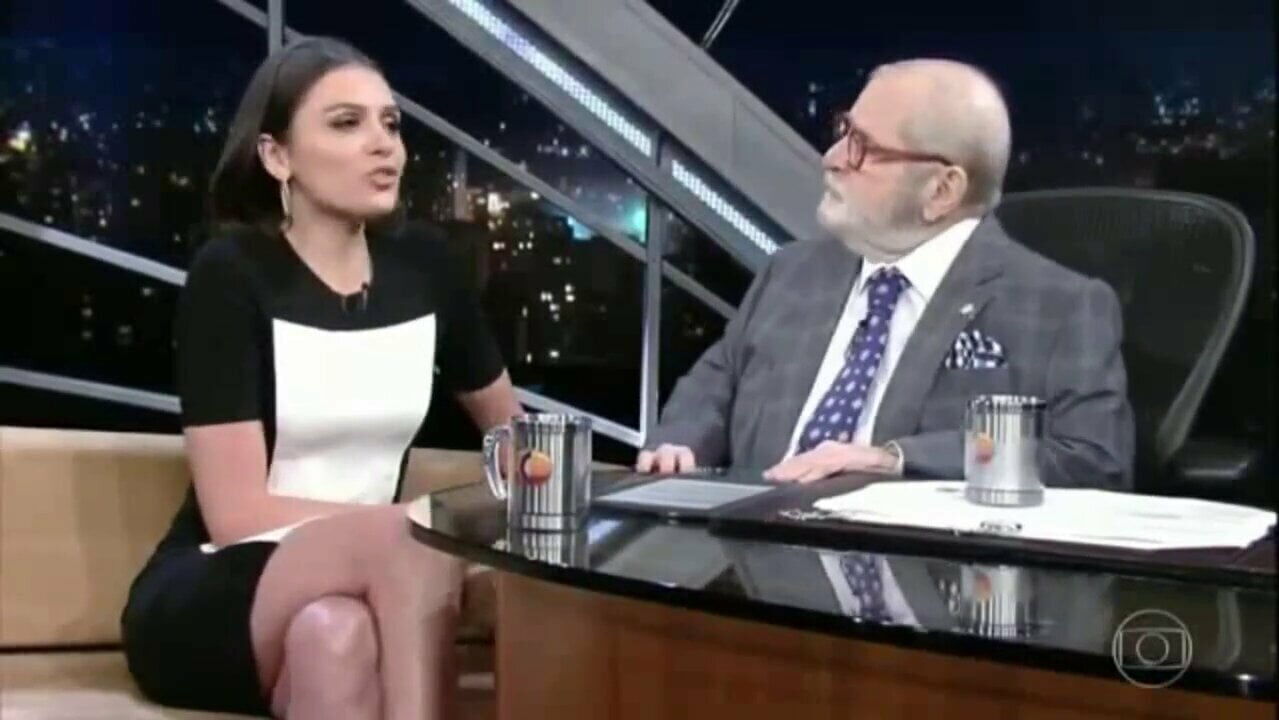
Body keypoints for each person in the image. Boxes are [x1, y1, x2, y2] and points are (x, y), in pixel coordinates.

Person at [121, 37, 522, 719]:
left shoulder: (425, 269)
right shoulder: (232, 273)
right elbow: (235, 514)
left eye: (390, 123)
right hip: (223, 586)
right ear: (277, 156)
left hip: (357, 586)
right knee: (412, 537)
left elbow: (515, 438)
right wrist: (392, 529)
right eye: (346, 123)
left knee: (334, 637)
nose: (382, 144)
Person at [637, 59, 1134, 488]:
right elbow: (717, 383)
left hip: (919, 563)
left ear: (941, 190)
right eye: (843, 133)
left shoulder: (1061, 306)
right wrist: (680, 444)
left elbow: (1093, 462)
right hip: (752, 542)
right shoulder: (790, 273)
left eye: (863, 148)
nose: (832, 160)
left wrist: (895, 460)